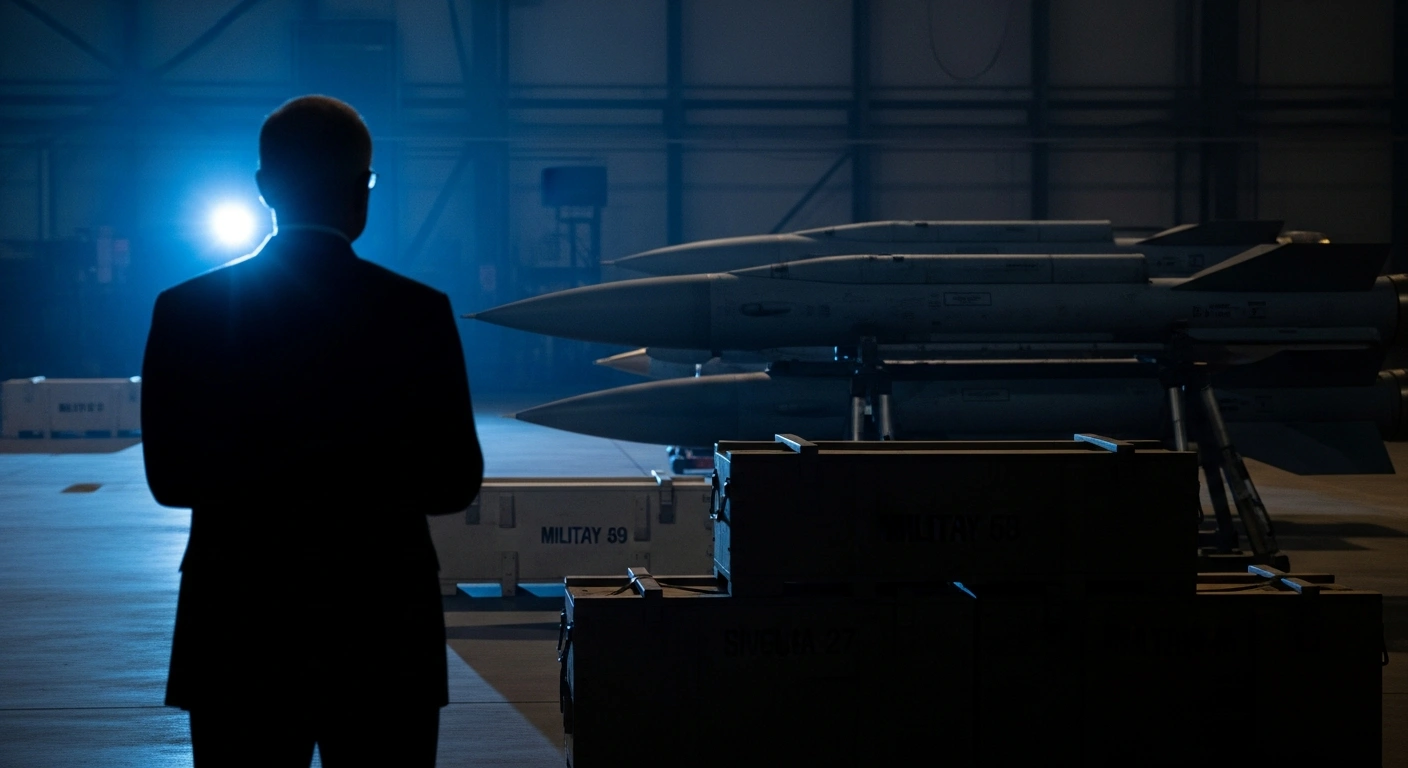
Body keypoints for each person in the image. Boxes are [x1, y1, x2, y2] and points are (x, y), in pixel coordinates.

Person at [141, 95, 484, 767]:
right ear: (364, 189)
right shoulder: (419, 314)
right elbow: (453, 482)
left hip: (237, 626)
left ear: (265, 186)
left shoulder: (186, 312)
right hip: (384, 628)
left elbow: (171, 480)